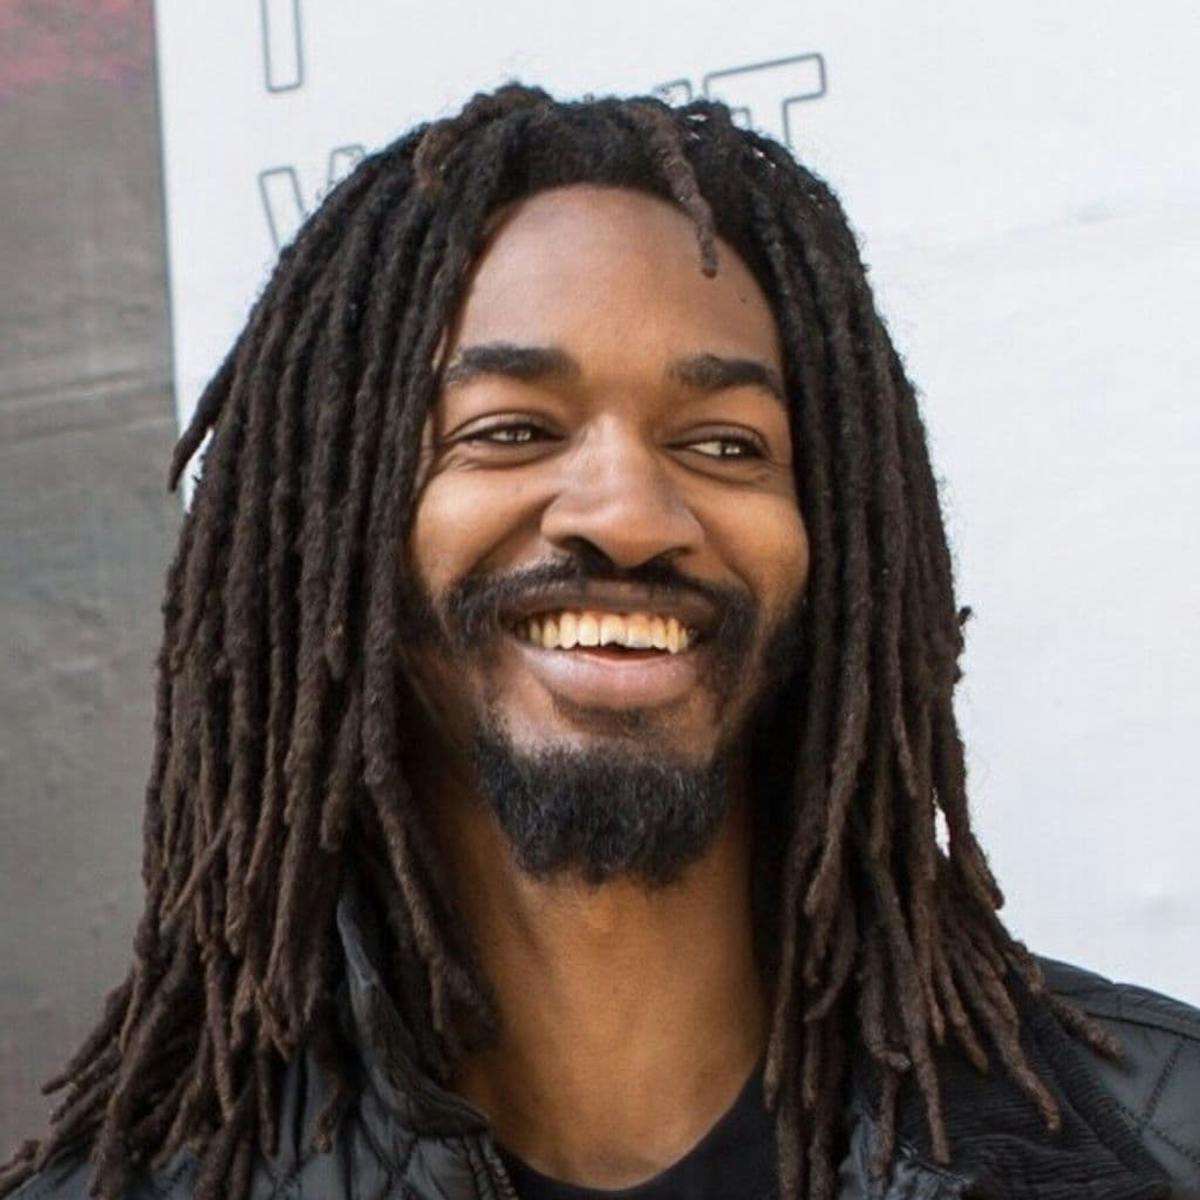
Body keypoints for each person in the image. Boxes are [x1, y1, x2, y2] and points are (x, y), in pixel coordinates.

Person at [3, 83, 1197, 1200]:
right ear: (330, 540)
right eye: (510, 429)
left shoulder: (1161, 1139)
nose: (626, 515)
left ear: (834, 541)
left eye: (726, 445)